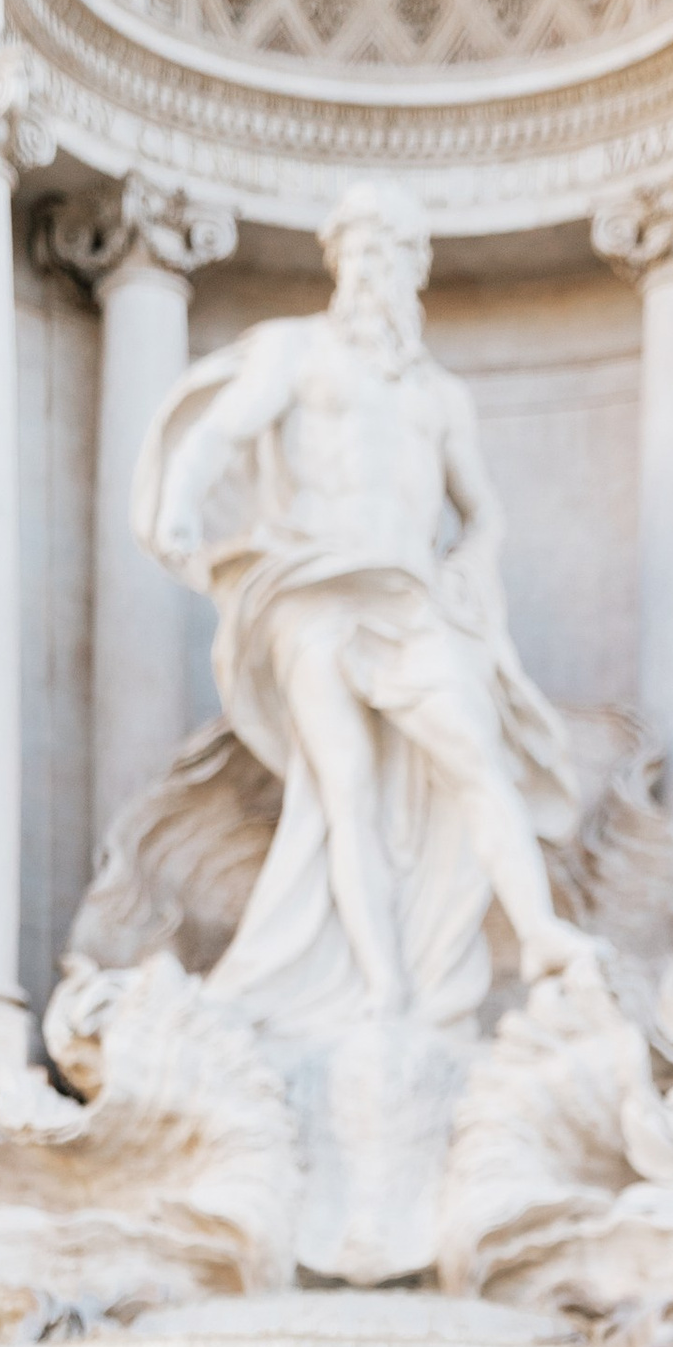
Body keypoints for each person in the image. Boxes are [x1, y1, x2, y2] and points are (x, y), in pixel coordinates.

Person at [137, 178, 582, 1035]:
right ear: (338, 261)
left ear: (416, 268)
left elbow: (482, 509)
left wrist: (473, 563)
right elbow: (221, 435)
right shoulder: (295, 353)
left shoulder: (439, 395)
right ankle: (384, 993)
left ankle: (540, 936)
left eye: (392, 251)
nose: (373, 268)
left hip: (407, 596)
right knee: (347, 794)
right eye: (361, 251)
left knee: (477, 758)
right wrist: (176, 510)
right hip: (311, 590)